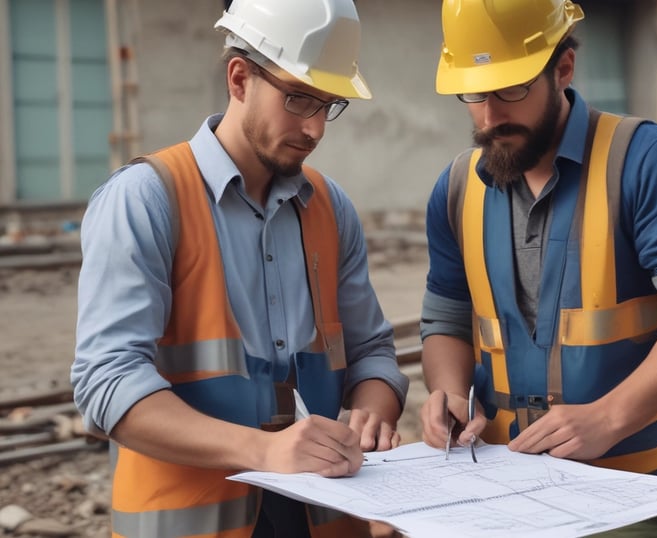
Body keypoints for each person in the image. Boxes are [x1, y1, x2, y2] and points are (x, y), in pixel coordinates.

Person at [71, 0, 409, 536]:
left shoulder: (329, 205)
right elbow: (107, 382)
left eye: (330, 104)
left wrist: (374, 406)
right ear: (238, 78)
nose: (316, 127)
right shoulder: (145, 199)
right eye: (299, 99)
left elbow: (372, 353)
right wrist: (264, 450)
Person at [419, 0, 657, 536]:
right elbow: (446, 320)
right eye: (474, 93)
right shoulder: (456, 190)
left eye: (512, 89)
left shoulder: (643, 161)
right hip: (498, 485)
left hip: (624, 488)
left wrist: (610, 418)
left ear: (563, 68)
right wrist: (449, 391)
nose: (489, 115)